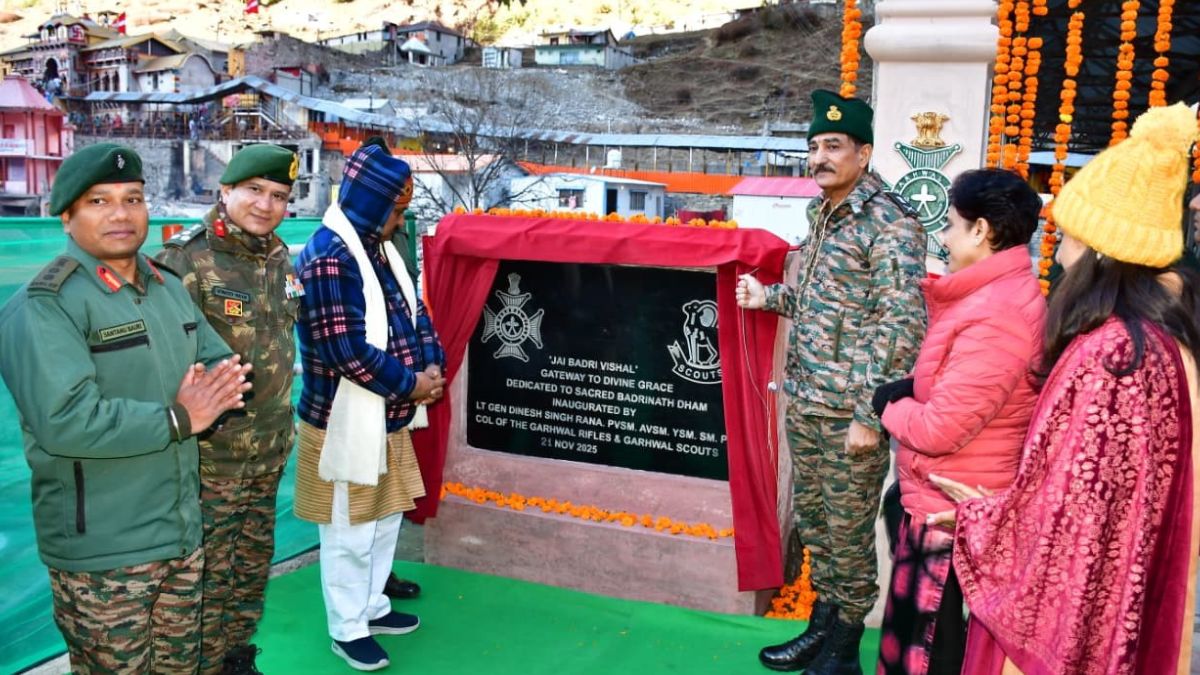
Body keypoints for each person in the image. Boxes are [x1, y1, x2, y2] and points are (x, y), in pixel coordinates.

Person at [931, 102, 1200, 675]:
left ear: (1101, 250)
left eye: (1069, 238)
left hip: (1062, 624)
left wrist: (980, 518)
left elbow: (1071, 516)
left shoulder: (1112, 354)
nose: (1058, 252)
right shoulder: (1158, 339)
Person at [0, 143, 252, 673]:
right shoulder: (46, 306)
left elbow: (220, 365)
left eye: (133, 198)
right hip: (105, 554)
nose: (121, 214)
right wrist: (180, 417)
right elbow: (66, 421)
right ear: (66, 218)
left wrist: (209, 394)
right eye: (99, 201)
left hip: (180, 531)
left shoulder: (166, 287)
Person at [737, 89, 928, 673]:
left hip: (850, 415)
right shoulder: (823, 215)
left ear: (863, 154)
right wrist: (769, 297)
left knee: (847, 535)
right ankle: (821, 625)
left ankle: (844, 649)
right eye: (813, 147)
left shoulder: (889, 224)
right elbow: (824, 305)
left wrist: (870, 418)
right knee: (818, 526)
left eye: (833, 147)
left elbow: (901, 327)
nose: (819, 158)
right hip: (808, 401)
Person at [869, 169, 1045, 675]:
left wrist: (888, 406)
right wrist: (912, 390)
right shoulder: (988, 298)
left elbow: (942, 429)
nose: (943, 238)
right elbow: (958, 388)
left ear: (981, 231)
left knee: (926, 655)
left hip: (951, 507)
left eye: (951, 225)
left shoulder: (997, 313)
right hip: (944, 496)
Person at [294, 140, 446, 671]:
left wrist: (431, 367)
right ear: (371, 204)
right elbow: (345, 352)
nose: (399, 219)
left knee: (383, 520)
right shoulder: (330, 257)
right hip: (345, 420)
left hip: (388, 413)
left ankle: (373, 605)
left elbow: (416, 312)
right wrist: (412, 384)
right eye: (396, 210)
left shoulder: (379, 249)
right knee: (349, 529)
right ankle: (347, 627)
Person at [156, 143, 300, 675]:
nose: (265, 205)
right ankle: (203, 664)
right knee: (206, 574)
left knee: (250, 567)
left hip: (266, 451)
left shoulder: (280, 255)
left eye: (279, 196)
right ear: (226, 192)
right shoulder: (184, 259)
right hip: (210, 457)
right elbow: (163, 363)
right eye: (254, 191)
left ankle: (237, 658)